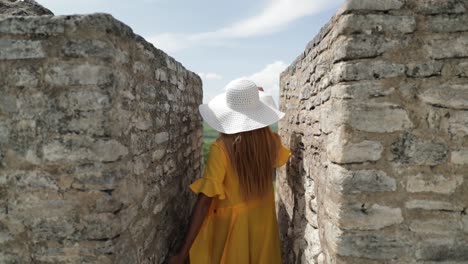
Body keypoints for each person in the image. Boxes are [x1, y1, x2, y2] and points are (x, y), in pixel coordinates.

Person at [169, 79, 291, 264]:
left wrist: (182, 253)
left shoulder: (222, 149)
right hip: (263, 221)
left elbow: (204, 203)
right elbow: (266, 146)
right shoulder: (271, 141)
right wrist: (257, 109)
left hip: (235, 229)